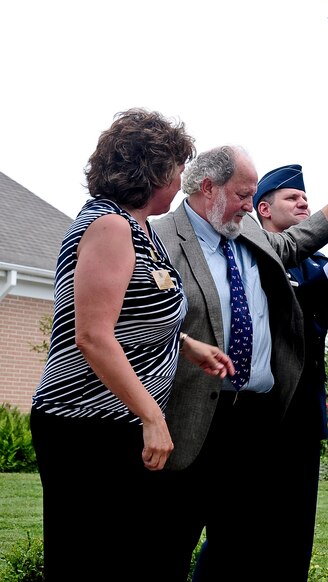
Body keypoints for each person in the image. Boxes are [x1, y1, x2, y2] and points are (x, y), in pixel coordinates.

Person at [29, 108, 235, 581]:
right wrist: (152, 416)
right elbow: (92, 335)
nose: (184, 177)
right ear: (154, 168)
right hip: (87, 426)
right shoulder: (110, 227)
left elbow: (131, 315)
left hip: (116, 421)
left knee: (129, 558)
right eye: (179, 167)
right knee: (94, 559)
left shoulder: (138, 226)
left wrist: (185, 344)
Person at [152, 145, 328, 579]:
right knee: (166, 548)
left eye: (254, 197)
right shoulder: (159, 236)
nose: (250, 206)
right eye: (243, 195)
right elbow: (139, 321)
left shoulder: (246, 232)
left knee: (242, 550)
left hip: (252, 424)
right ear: (208, 188)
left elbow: (296, 241)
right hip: (191, 421)